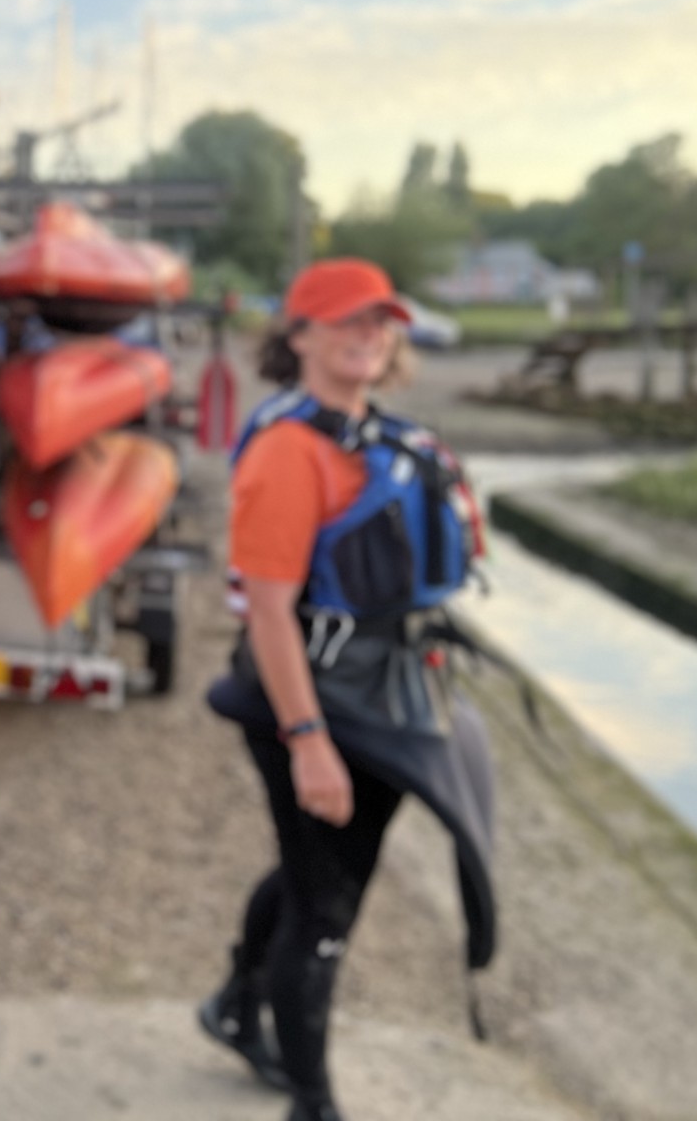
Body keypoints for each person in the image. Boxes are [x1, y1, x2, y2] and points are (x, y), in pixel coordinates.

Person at [199, 259, 496, 1121]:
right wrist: (308, 741)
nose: (369, 335)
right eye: (346, 321)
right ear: (298, 336)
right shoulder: (291, 453)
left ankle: (230, 1006)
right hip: (318, 708)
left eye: (381, 321)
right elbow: (267, 611)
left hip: (386, 696)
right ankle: (314, 1103)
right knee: (326, 908)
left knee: (311, 874)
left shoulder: (372, 434)